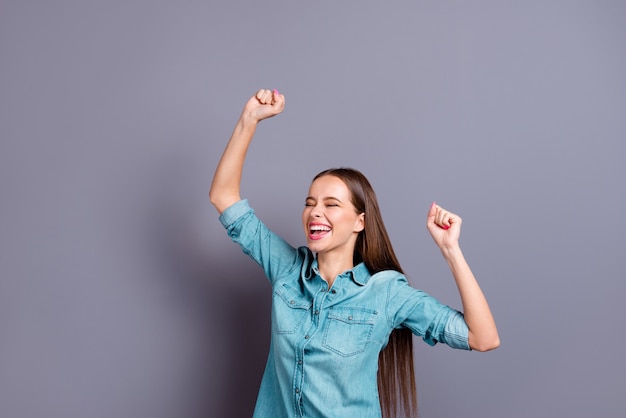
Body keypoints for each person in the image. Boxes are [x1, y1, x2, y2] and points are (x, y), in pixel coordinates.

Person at [210, 89, 500, 418]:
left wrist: (451, 250)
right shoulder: (287, 270)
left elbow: (483, 337)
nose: (315, 212)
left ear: (359, 221)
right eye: (310, 204)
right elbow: (224, 197)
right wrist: (250, 119)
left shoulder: (386, 292)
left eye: (331, 205)